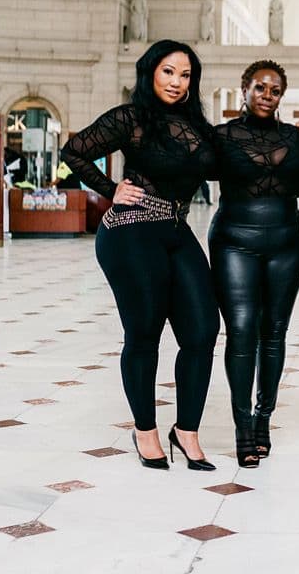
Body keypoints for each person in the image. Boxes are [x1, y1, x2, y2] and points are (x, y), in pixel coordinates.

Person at [61, 39, 219, 471]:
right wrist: (111, 189)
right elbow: (73, 152)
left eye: (185, 74)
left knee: (203, 330)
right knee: (145, 330)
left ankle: (186, 430)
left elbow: (226, 164)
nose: (177, 82)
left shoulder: (198, 127)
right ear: (151, 72)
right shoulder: (130, 119)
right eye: (169, 71)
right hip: (130, 230)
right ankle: (145, 430)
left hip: (175, 227)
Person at [208, 60, 299, 467]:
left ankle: (263, 418)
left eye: (275, 90)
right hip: (235, 240)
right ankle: (242, 425)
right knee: (242, 331)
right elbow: (185, 168)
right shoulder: (221, 136)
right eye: (261, 88)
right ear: (245, 88)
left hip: (286, 241)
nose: (268, 95)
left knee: (275, 333)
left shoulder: (293, 136)